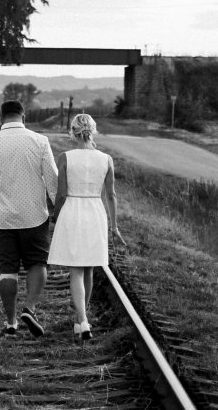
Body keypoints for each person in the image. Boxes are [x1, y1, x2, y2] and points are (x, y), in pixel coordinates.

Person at [0, 99, 58, 336]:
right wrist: (60, 208)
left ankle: (11, 323)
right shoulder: (40, 142)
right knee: (37, 263)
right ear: (23, 117)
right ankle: (29, 308)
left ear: (1, 119)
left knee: (7, 270)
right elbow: (53, 181)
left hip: (2, 219)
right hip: (35, 217)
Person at [47, 112, 124, 342]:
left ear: (73, 132)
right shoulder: (106, 159)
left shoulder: (65, 157)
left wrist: (56, 216)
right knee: (89, 268)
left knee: (77, 270)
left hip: (73, 210)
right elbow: (111, 195)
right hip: (95, 212)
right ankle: (82, 320)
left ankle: (82, 320)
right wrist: (114, 226)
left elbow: (60, 194)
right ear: (93, 131)